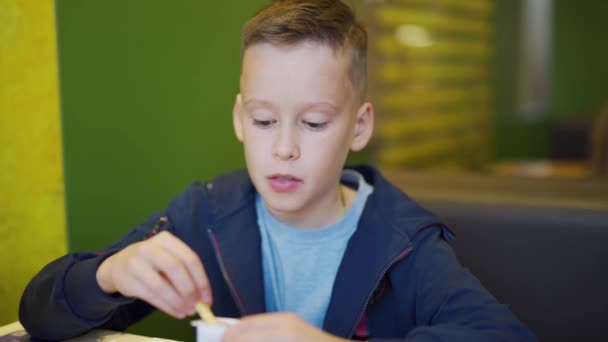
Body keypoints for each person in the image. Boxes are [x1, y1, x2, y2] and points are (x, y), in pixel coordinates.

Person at [19, 1, 535, 341]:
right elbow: (37, 313)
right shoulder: (204, 215)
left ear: (358, 127)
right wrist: (107, 275)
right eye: (264, 120)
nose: (284, 147)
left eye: (313, 122)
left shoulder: (404, 242)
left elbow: (504, 336)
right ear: (240, 119)